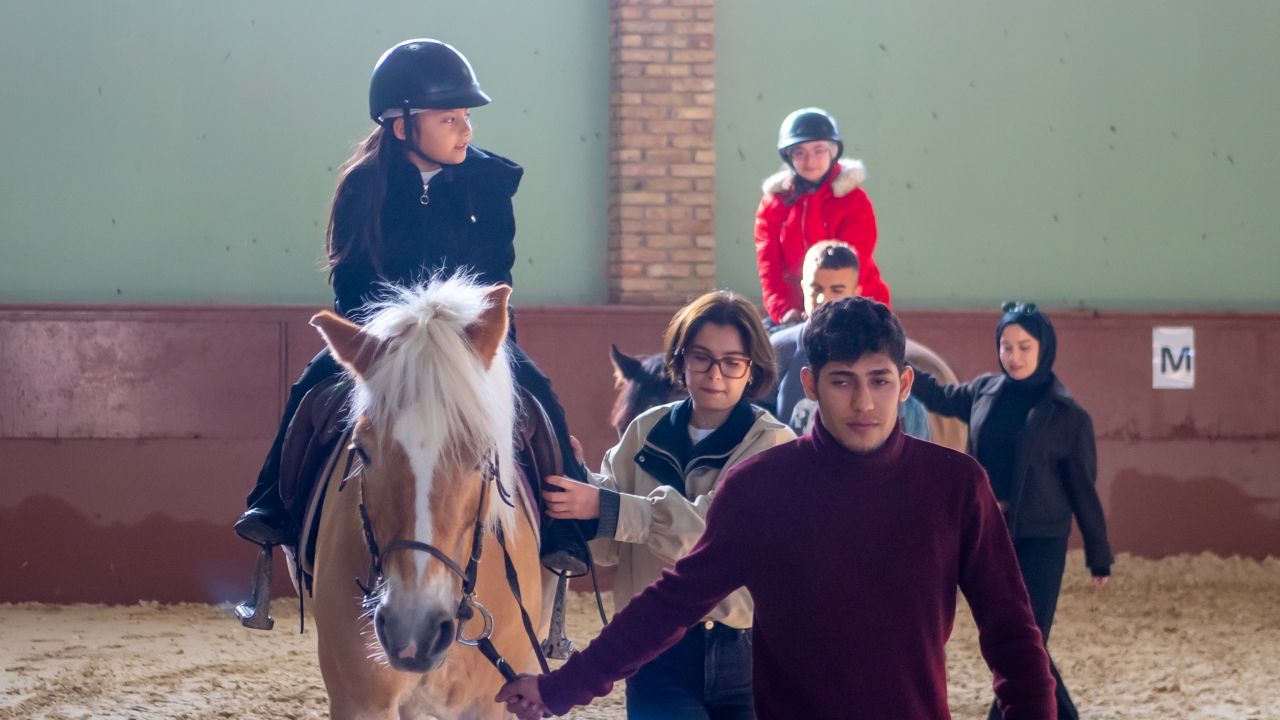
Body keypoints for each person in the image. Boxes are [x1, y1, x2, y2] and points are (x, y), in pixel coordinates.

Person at [496, 297, 1056, 720]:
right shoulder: (761, 488)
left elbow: (1010, 629)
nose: (863, 402)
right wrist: (560, 688)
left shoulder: (956, 485)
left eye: (880, 381)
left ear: (905, 383)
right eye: (842, 382)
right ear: (810, 384)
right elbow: (670, 605)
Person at [234, 39, 593, 574]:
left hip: (467, 339)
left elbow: (495, 274)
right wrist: (391, 339)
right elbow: (351, 279)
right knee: (309, 390)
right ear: (402, 127)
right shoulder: (361, 187)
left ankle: (567, 528)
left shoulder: (491, 184)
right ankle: (273, 503)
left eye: (466, 117)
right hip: (387, 338)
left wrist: (471, 343)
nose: (466, 130)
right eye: (449, 119)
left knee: (539, 396)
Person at [538, 291, 794, 720]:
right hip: (654, 648)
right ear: (681, 359)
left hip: (750, 653)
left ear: (752, 369)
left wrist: (606, 506)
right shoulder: (644, 430)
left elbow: (708, 534)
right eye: (701, 357)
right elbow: (609, 548)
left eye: (732, 361)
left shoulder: (773, 443)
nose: (715, 373)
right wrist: (578, 482)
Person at [910, 301, 1114, 720]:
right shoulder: (983, 391)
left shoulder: (1068, 415)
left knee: (1028, 640)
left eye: (1024, 347)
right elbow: (937, 395)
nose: (1014, 356)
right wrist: (895, 361)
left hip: (1042, 539)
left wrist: (1099, 554)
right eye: (1006, 346)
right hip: (990, 535)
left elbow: (1082, 490)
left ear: (1044, 348)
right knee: (1020, 641)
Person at [771, 241, 930, 439]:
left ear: (856, 293)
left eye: (837, 290)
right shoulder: (778, 349)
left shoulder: (879, 347)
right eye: (816, 288)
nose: (823, 299)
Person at [754, 107, 891, 326]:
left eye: (819, 150)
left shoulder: (854, 200)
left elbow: (854, 264)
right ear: (788, 156)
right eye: (799, 152)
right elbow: (769, 267)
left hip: (854, 306)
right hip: (798, 311)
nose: (810, 161)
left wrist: (828, 309)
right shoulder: (772, 205)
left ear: (833, 152)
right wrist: (784, 310)